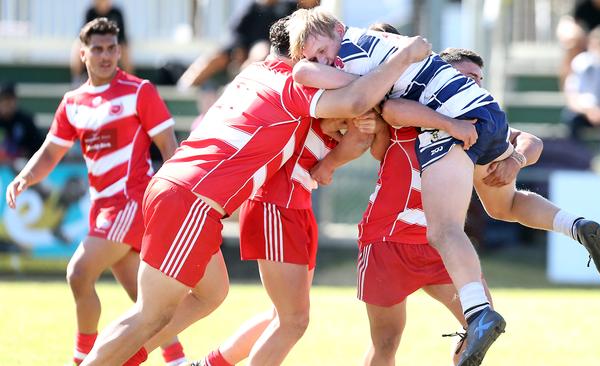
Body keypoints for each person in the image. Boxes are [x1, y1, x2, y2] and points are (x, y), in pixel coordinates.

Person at [77, 16, 432, 365]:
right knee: (150, 315)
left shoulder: (252, 73)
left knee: (211, 293)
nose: (325, 61)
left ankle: (129, 358)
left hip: (179, 188)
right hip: (194, 199)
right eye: (318, 54)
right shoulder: (296, 85)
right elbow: (354, 104)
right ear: (300, 53)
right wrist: (403, 58)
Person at [287, 8, 600, 365]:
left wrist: (514, 160)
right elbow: (373, 134)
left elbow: (531, 141)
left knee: (476, 310)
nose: (473, 84)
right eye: (465, 77)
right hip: (390, 237)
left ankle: (559, 241)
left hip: (438, 241)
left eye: (477, 79)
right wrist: (447, 123)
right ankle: (575, 225)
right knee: (388, 339)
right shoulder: (403, 99)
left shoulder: (447, 109)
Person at [4, 18, 185, 366]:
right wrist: (25, 177)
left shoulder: (139, 90)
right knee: (145, 300)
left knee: (79, 272)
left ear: (120, 50)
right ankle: (176, 359)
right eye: (98, 49)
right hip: (102, 208)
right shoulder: (73, 102)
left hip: (133, 202)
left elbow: (168, 146)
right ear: (83, 53)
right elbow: (51, 152)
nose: (106, 56)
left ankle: (83, 358)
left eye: (112, 48)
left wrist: (175, 195)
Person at [177, 0, 320, 90]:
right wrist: (237, 49)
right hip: (242, 50)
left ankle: (237, 88)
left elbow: (310, 6)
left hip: (269, 52)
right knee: (216, 56)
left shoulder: (288, 8)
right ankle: (183, 87)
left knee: (260, 51)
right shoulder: (252, 7)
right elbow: (233, 34)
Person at [71, 0, 133, 85]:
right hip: (94, 47)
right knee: (78, 45)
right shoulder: (90, 12)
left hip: (113, 48)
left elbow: (122, 39)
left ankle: (128, 80)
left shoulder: (117, 13)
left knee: (124, 48)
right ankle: (77, 79)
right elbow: (83, 36)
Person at [0, 82, 42, 162]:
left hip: (21, 165)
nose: (6, 104)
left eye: (9, 100)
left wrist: (24, 154)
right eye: (2, 100)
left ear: (15, 100)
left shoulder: (26, 121)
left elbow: (38, 146)